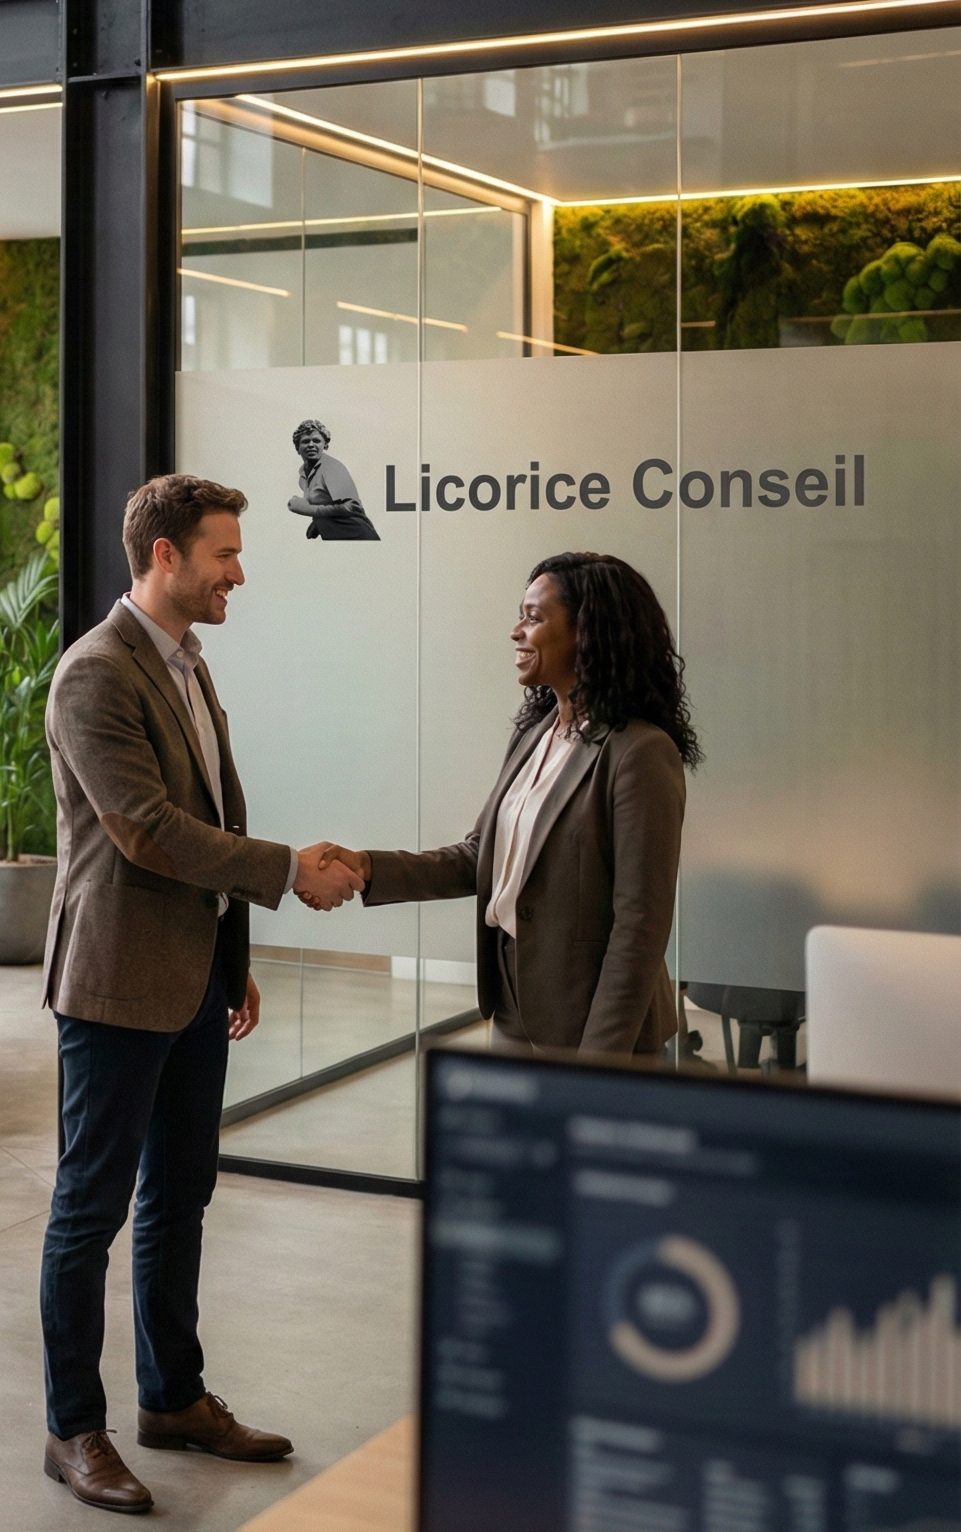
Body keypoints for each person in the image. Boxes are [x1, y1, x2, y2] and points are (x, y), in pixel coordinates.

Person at [39, 474, 363, 1515]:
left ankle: (171, 1397)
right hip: (117, 981)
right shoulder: (95, 672)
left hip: (191, 974)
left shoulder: (187, 663)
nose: (238, 571)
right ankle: (72, 1427)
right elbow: (144, 828)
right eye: (223, 551)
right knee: (89, 1210)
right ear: (164, 556)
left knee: (180, 1199)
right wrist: (283, 869)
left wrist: (234, 956)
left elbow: (209, 805)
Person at [314, 552, 702, 1056]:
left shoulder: (640, 753)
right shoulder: (537, 734)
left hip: (595, 1026)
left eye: (534, 617)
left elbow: (640, 927)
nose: (517, 631)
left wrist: (599, 1062)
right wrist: (367, 867)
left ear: (588, 632)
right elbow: (481, 857)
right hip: (517, 1006)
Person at [288, 419, 380, 540]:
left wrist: (309, 510)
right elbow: (326, 504)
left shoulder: (332, 468)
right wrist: (317, 522)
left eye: (316, 441)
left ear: (325, 445)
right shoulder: (303, 475)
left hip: (356, 534)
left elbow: (353, 506)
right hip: (334, 537)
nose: (311, 445)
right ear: (297, 448)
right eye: (305, 441)